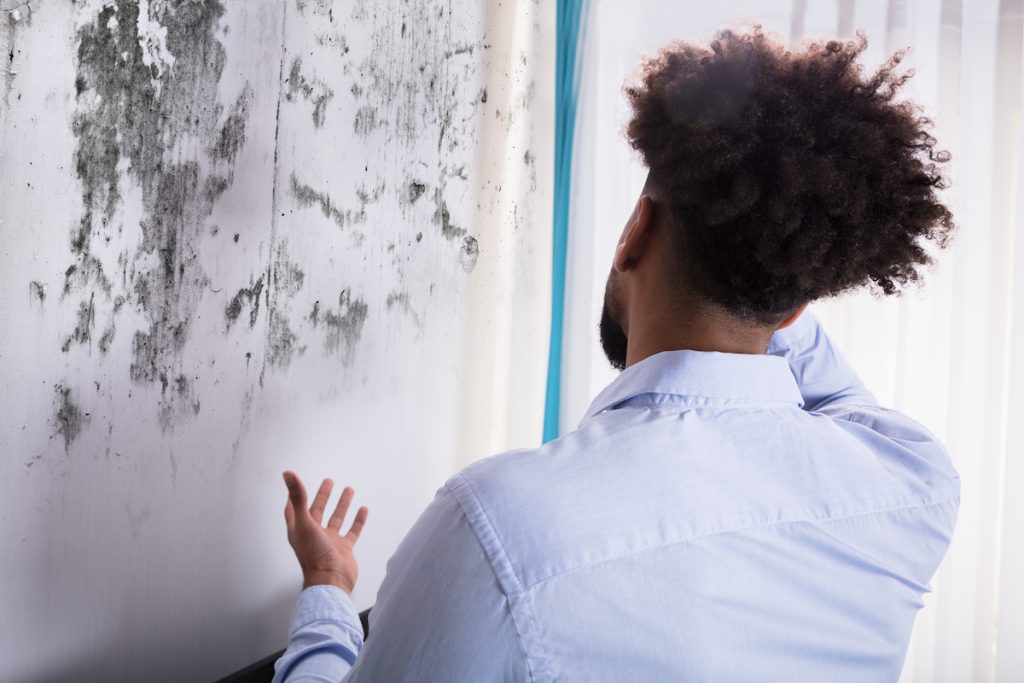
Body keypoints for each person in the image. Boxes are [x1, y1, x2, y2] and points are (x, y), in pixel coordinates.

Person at [272, 26, 960, 682]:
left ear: (635, 231)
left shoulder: (498, 532)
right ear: (798, 306)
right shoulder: (910, 482)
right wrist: (776, 268)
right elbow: (817, 365)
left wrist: (328, 589)